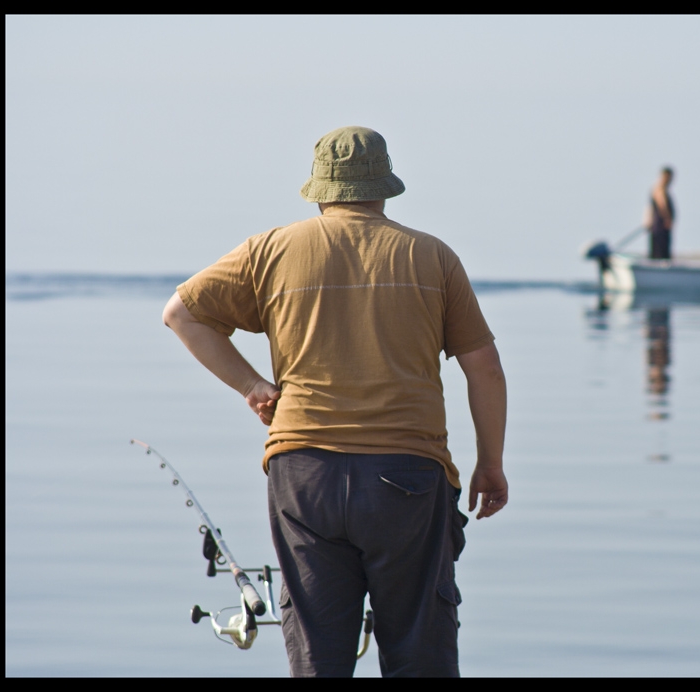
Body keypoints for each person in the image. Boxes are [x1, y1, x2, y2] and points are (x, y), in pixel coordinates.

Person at [162, 126, 508, 677]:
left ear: (321, 188)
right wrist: (489, 464)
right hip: (408, 479)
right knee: (419, 652)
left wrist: (253, 386)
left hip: (304, 474)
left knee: (318, 656)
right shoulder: (432, 257)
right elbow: (484, 368)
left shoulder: (271, 249)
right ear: (385, 186)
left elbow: (181, 313)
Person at [646, 166, 676, 260]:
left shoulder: (660, 189)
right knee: (660, 253)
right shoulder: (659, 189)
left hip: (659, 228)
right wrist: (667, 219)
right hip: (660, 227)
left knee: (661, 251)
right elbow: (662, 205)